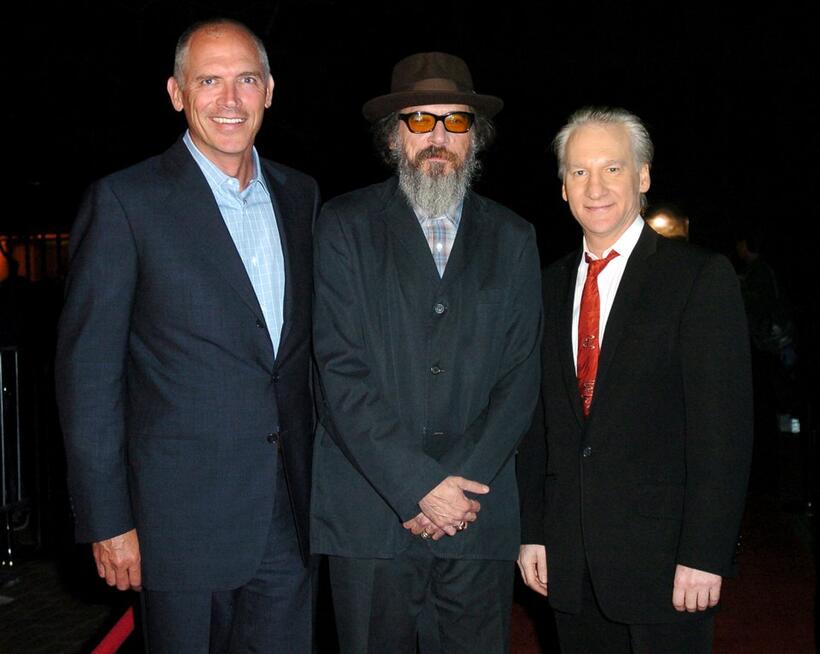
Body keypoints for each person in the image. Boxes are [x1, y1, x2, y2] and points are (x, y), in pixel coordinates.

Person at [55, 18, 318, 653]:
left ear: (270, 90)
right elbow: (88, 377)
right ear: (177, 92)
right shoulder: (126, 202)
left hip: (290, 515)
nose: (230, 100)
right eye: (210, 81)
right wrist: (108, 520)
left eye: (246, 80)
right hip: (176, 527)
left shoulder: (302, 195)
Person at [311, 52, 542, 653]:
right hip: (371, 516)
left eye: (455, 122)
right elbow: (338, 373)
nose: (438, 137)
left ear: (475, 138)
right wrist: (417, 486)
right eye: (420, 120)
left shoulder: (515, 238)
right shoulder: (341, 226)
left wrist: (455, 494)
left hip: (476, 517)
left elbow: (520, 379)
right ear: (394, 137)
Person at [517, 107, 753, 653]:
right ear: (562, 188)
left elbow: (724, 432)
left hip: (668, 568)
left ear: (643, 177)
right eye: (579, 172)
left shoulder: (697, 278)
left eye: (613, 169)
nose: (595, 187)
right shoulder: (544, 286)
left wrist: (705, 553)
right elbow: (538, 423)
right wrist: (532, 530)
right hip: (570, 566)